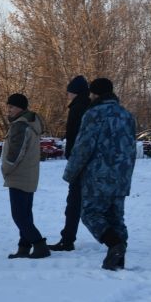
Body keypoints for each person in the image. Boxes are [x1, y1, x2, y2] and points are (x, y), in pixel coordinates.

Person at [62, 78, 136, 270]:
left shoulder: (93, 114)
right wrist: (126, 174)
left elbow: (83, 147)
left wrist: (70, 172)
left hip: (98, 175)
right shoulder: (126, 115)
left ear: (94, 94)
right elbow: (131, 148)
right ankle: (118, 260)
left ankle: (114, 245)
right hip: (122, 175)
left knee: (90, 214)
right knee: (116, 217)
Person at [1, 93, 51, 259]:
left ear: (21, 108)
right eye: (8, 106)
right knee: (25, 213)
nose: (9, 110)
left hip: (19, 175)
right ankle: (24, 247)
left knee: (19, 215)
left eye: (12, 107)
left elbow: (15, 153)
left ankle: (39, 245)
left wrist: (5, 169)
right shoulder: (30, 122)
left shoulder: (20, 125)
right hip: (28, 174)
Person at [49, 75, 91, 251]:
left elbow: (75, 136)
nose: (67, 95)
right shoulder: (89, 106)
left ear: (75, 92)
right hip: (89, 162)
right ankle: (114, 238)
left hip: (79, 162)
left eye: (69, 92)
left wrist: (71, 156)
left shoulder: (77, 108)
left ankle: (67, 240)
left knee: (74, 202)